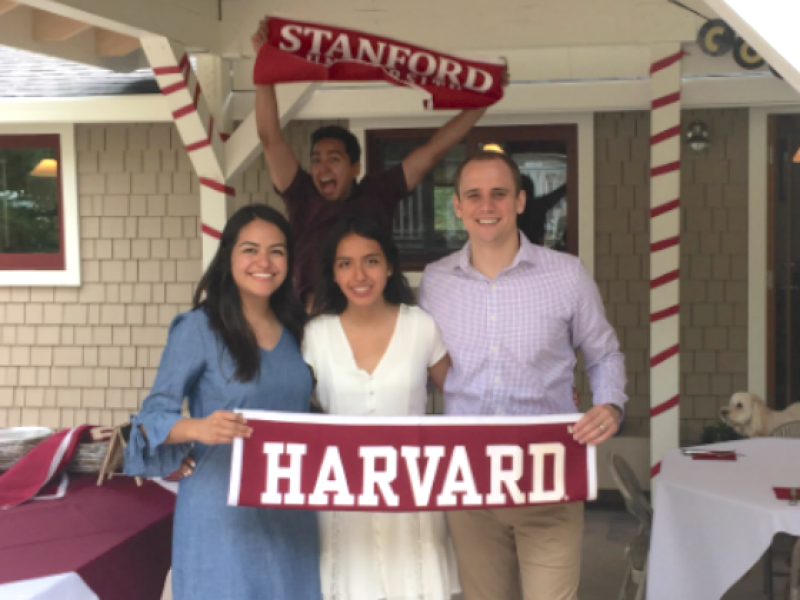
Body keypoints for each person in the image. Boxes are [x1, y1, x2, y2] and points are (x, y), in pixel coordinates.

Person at [418, 151, 627, 600]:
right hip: (469, 482)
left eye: (499, 193)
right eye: (473, 195)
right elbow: (418, 365)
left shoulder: (566, 274)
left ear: (519, 201)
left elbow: (603, 353)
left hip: (548, 475)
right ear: (456, 206)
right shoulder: (435, 283)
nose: (485, 205)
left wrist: (609, 404)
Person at [123, 205, 321, 600]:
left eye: (277, 251)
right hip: (221, 514)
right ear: (228, 255)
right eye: (251, 249)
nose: (264, 262)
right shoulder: (198, 328)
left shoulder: (302, 331)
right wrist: (198, 428)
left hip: (290, 513)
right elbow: (151, 419)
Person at [252, 18, 499, 307]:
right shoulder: (301, 194)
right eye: (316, 160)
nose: (323, 168)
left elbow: (433, 150)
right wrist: (264, 64)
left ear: (356, 167)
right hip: (311, 319)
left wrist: (484, 102)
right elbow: (269, 137)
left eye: (334, 159)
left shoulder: (377, 193)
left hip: (371, 316)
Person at [303, 214, 459, 600]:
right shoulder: (315, 334)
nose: (359, 274)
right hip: (342, 498)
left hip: (411, 495)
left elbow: (464, 395)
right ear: (334, 274)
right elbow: (283, 406)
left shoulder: (421, 326)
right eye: (345, 264)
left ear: (389, 266)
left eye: (370, 260)